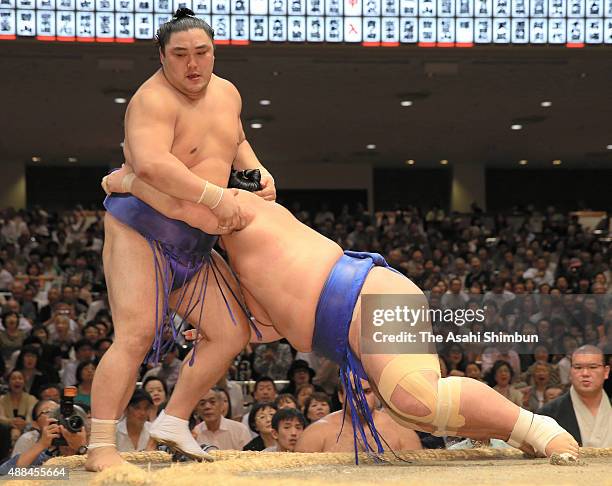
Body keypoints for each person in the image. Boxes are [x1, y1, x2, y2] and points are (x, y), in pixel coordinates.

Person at [105, 167, 580, 461]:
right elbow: (268, 326)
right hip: (346, 325)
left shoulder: (242, 208)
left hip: (372, 294)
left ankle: (538, 425)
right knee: (412, 411)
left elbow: (186, 198)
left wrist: (128, 181)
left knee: (414, 397)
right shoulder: (246, 267)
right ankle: (518, 435)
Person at [88, 7, 276, 471]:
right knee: (135, 336)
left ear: (214, 52)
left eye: (202, 53)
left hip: (194, 239)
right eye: (181, 55)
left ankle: (172, 421)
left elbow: (234, 138)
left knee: (231, 332)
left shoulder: (228, 91)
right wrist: (215, 195)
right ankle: (98, 449)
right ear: (162, 56)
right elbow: (151, 163)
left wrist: (254, 170)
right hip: (143, 229)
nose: (193, 65)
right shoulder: (151, 100)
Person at [296, 378, 422, 453]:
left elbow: (418, 477)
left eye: (366, 392)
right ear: (341, 396)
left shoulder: (401, 430)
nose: (360, 398)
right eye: (353, 392)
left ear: (376, 394)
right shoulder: (315, 434)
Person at [538, 345, 611, 447]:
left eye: (593, 367)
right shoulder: (547, 415)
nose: (585, 373)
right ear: (570, 372)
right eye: (578, 367)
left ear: (606, 372)